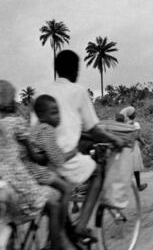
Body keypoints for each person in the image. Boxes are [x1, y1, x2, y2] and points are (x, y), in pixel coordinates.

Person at [32, 50, 125, 244]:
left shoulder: (41, 92)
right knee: (97, 172)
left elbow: (40, 127)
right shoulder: (78, 91)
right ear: (75, 70)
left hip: (40, 157)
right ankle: (81, 226)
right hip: (62, 157)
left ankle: (61, 233)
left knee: (62, 191)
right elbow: (94, 129)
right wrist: (114, 140)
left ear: (56, 69)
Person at [0, 80, 76, 250]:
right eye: (55, 113)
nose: (58, 117)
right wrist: (69, 153)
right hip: (22, 177)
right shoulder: (22, 124)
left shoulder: (25, 126)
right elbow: (44, 158)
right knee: (62, 192)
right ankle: (59, 242)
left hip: (4, 180)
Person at [120, 106, 148, 191]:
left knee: (126, 167)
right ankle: (138, 185)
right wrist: (144, 143)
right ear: (132, 114)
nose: (135, 113)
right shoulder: (136, 124)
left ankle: (123, 187)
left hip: (126, 146)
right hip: (134, 147)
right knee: (135, 168)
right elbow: (137, 136)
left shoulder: (125, 124)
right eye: (134, 112)